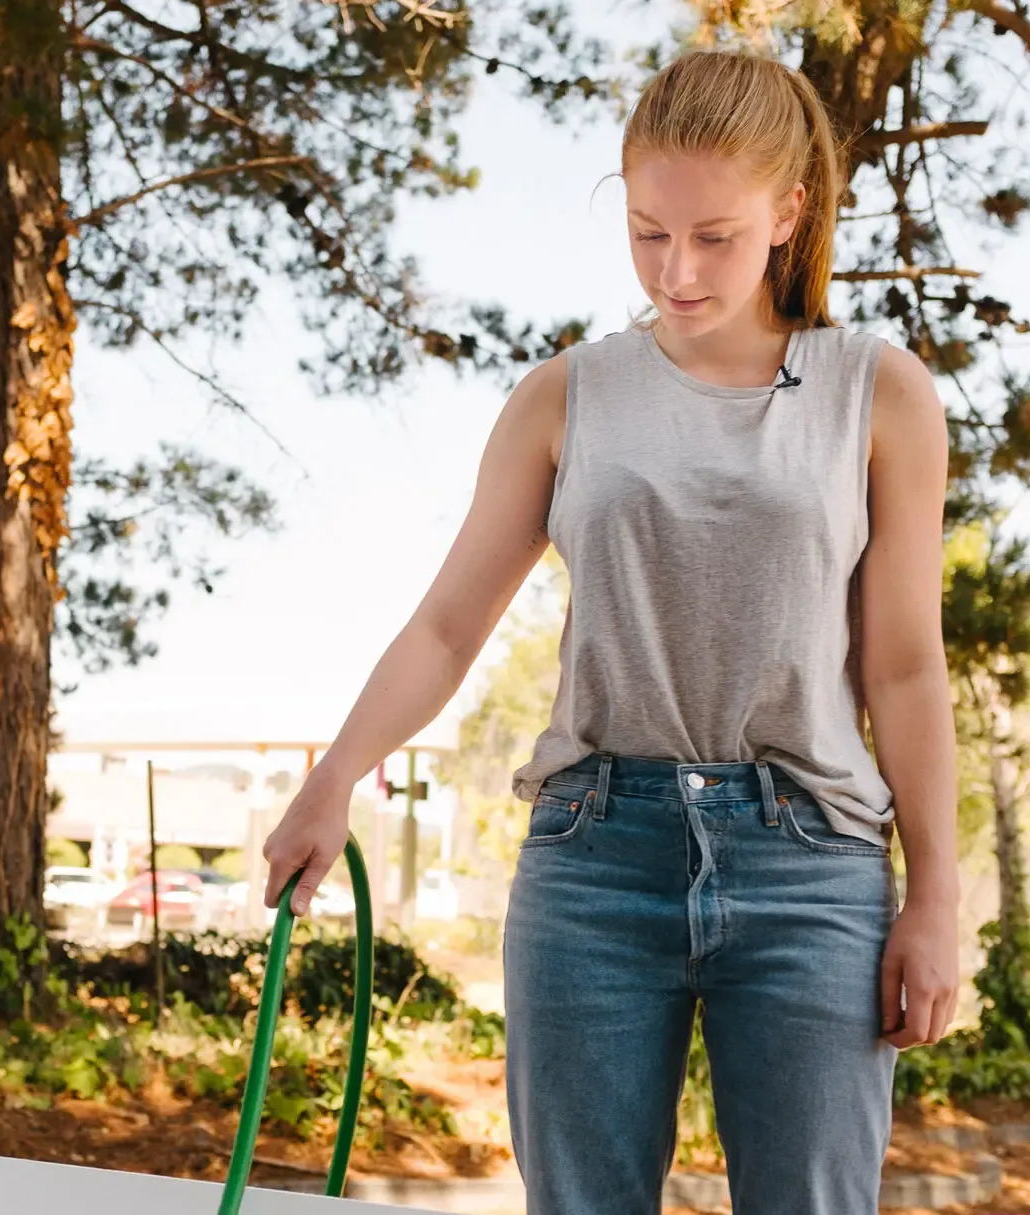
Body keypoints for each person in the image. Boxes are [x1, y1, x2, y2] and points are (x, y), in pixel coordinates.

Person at [259, 49, 959, 1215]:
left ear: (790, 212)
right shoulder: (566, 394)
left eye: (716, 237)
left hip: (810, 865)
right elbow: (445, 627)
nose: (677, 271)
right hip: (594, 859)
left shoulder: (878, 395)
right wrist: (335, 777)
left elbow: (903, 664)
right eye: (648, 232)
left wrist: (933, 896)